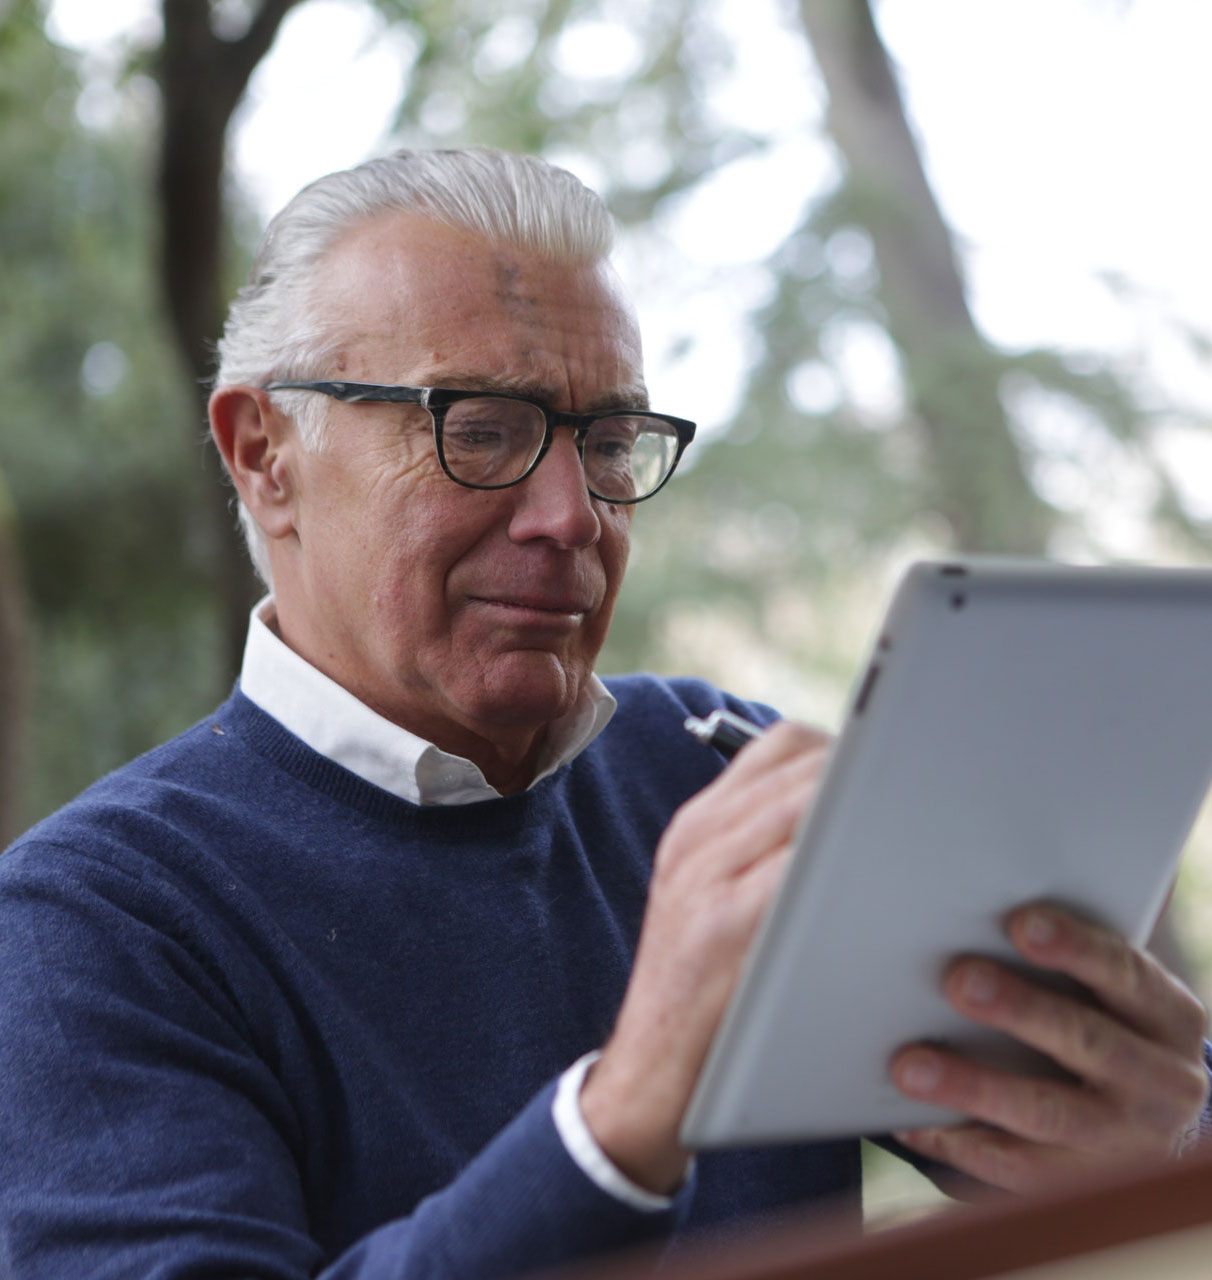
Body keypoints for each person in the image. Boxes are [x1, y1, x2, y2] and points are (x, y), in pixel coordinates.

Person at [0, 147, 1208, 1280]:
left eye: (611, 439)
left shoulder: (709, 764)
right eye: (479, 429)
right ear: (265, 453)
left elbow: (1052, 1119)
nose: (573, 516)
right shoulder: (84, 928)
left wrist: (1150, 1120)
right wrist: (619, 1119)